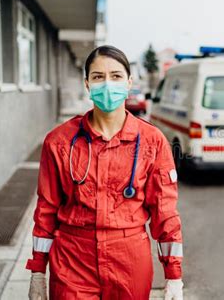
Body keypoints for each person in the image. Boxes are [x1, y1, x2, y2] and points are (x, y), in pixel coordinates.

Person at [26, 45, 183, 300]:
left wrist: (174, 275)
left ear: (129, 82)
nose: (107, 84)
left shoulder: (152, 141)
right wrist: (37, 270)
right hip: (73, 260)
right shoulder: (59, 141)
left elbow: (165, 212)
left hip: (130, 260)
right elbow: (46, 209)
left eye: (116, 76)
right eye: (98, 77)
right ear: (87, 84)